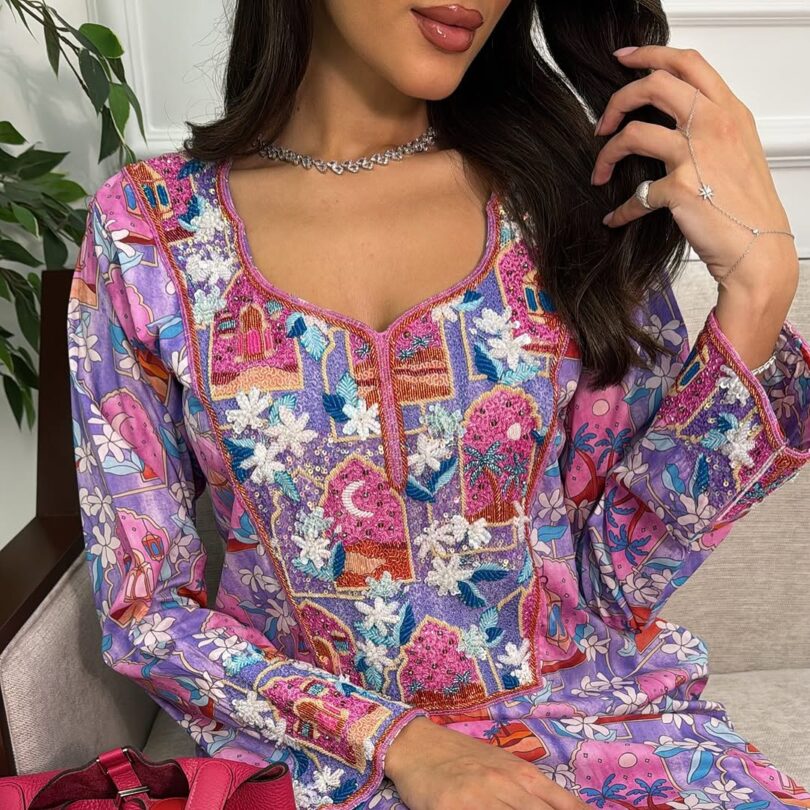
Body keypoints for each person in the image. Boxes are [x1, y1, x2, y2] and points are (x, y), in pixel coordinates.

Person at [67, 2, 810, 809]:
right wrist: (403, 745)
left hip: (597, 739)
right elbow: (145, 608)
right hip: (321, 764)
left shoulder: (568, 200)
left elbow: (615, 581)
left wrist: (759, 294)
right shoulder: (151, 233)